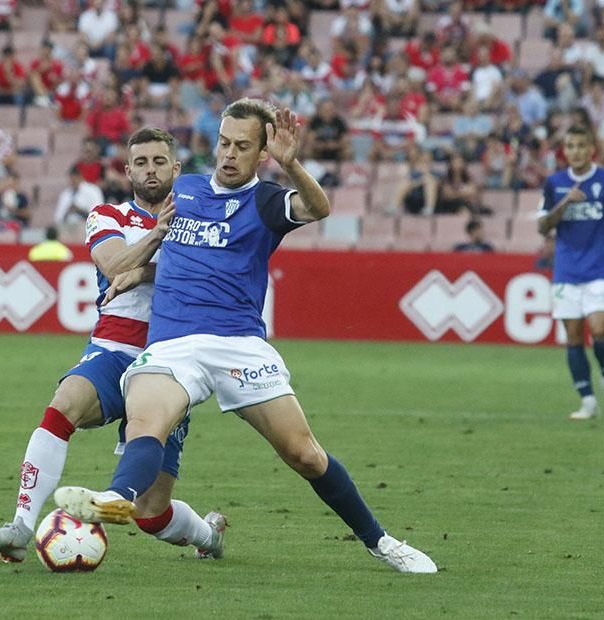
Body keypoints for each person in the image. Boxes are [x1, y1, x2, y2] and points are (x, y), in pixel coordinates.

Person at [55, 99, 438, 574]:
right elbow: (176, 246)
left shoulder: (267, 201)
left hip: (239, 344)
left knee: (304, 454)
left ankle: (381, 542)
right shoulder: (186, 188)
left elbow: (318, 208)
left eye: (242, 146)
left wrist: (292, 164)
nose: (229, 154)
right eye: (223, 143)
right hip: (174, 344)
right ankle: (116, 497)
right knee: (145, 422)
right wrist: (144, 271)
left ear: (261, 154)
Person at [0, 127, 225, 563]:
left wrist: (145, 273)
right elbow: (112, 264)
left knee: (150, 513)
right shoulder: (107, 215)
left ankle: (208, 535)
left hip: (171, 362)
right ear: (127, 171)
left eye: (159, 161)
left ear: (176, 167)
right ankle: (20, 526)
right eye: (141, 162)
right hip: (113, 347)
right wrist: (159, 237)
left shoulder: (203, 220)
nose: (150, 170)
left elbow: (209, 279)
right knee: (65, 402)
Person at [536, 123, 604, 421]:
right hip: (566, 272)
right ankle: (588, 401)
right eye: (570, 146)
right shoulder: (554, 184)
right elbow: (543, 227)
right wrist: (565, 202)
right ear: (564, 150)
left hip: (598, 269)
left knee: (600, 330)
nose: (576, 151)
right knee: (574, 338)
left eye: (581, 145)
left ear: (592, 149)